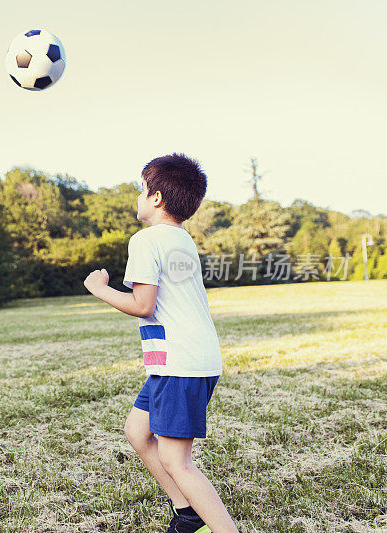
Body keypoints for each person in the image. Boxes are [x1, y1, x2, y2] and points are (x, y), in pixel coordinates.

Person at [83, 154, 238, 533]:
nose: (138, 198)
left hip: (180, 364)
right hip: (180, 361)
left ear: (155, 198)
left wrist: (98, 289)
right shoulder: (180, 239)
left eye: (140, 190)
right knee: (138, 431)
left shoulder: (147, 239)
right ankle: (189, 513)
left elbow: (142, 305)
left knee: (177, 460)